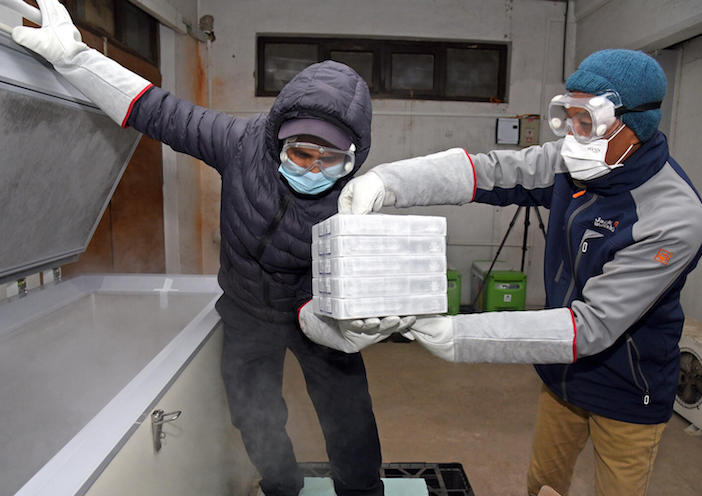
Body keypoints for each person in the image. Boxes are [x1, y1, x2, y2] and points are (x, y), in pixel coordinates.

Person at [10, 1, 413, 495]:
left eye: (328, 159)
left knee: (348, 415)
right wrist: (74, 58)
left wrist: (346, 316)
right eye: (300, 153)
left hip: (319, 315)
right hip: (246, 312)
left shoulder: (355, 200)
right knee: (253, 411)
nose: (311, 168)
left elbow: (348, 278)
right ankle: (283, 487)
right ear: (278, 140)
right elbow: (154, 110)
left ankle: (362, 492)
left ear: (353, 155)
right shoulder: (241, 144)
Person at [314, 49, 702, 496]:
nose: (573, 137)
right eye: (568, 118)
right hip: (561, 376)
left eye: (586, 122)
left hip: (628, 387)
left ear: (635, 125)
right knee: (543, 484)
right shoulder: (579, 158)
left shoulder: (672, 217)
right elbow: (490, 172)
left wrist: (462, 336)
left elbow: (590, 326)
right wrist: (389, 182)